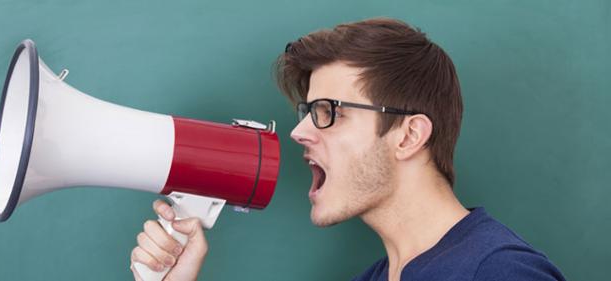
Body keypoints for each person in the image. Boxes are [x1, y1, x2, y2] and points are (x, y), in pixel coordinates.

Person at [129, 17, 566, 281]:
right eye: (306, 112)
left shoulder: (500, 273)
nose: (299, 132)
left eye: (328, 111)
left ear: (409, 135)